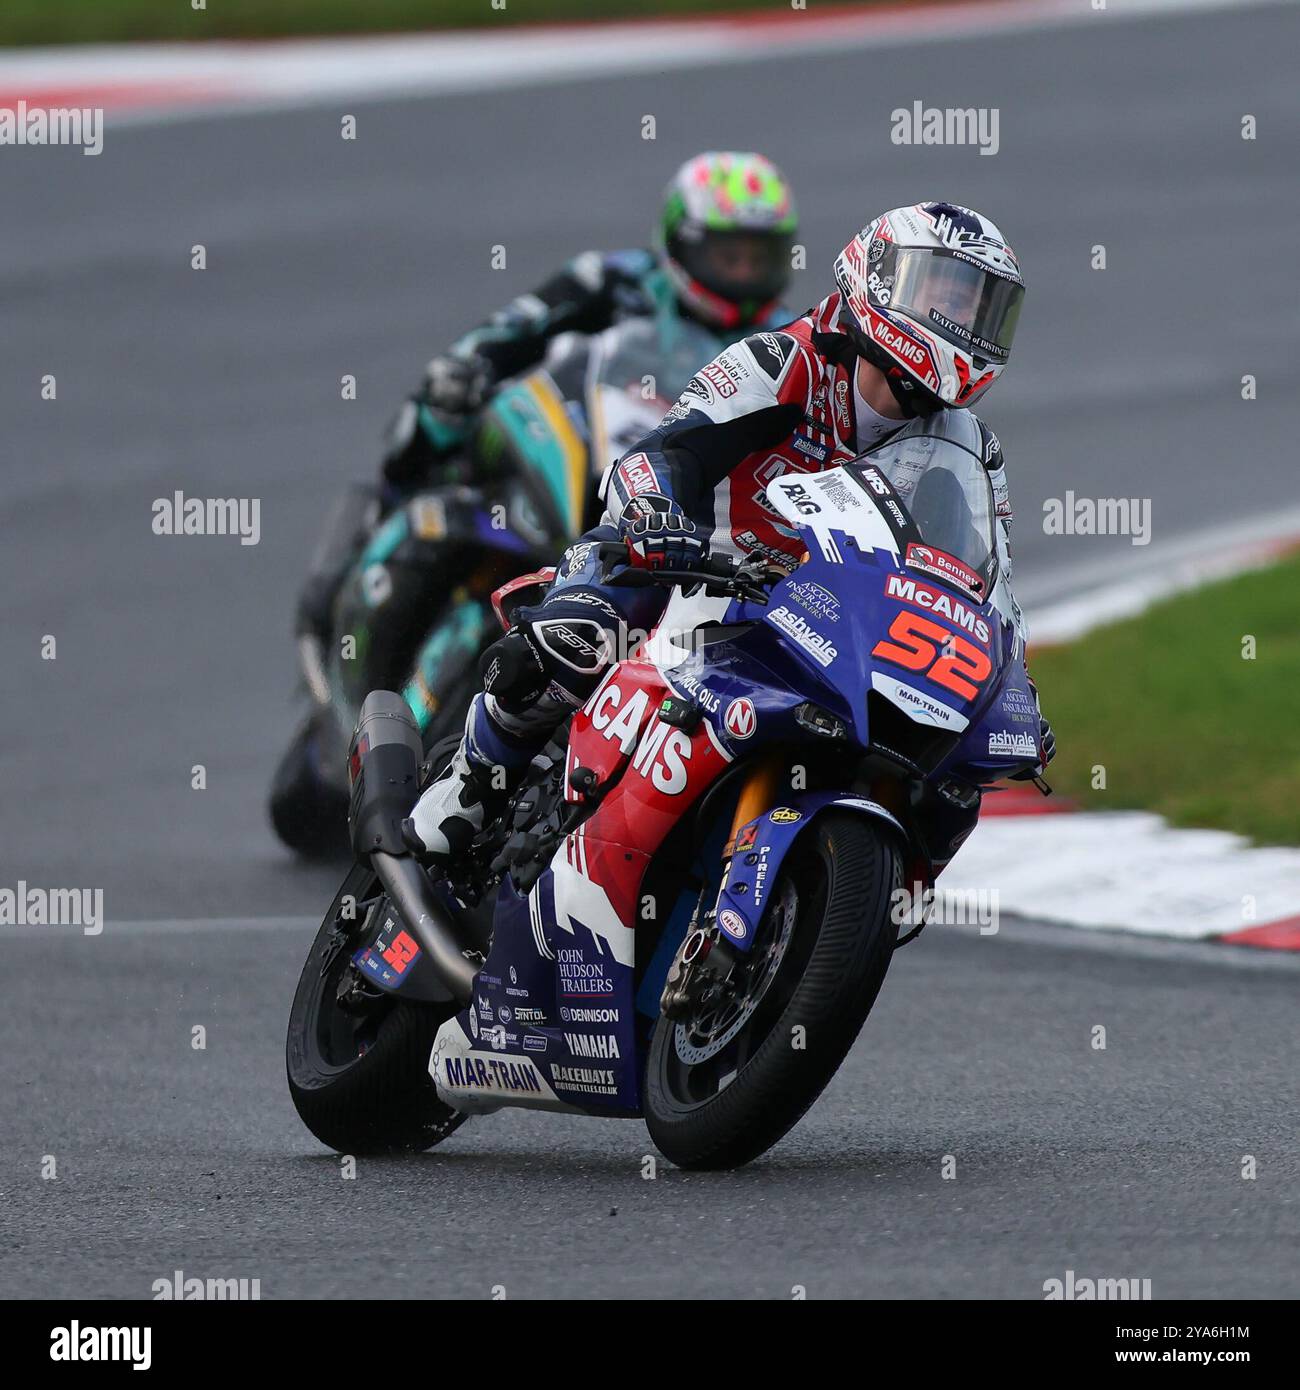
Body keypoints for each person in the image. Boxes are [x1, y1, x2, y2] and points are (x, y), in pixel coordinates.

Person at [405, 201, 1055, 860]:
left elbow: (988, 582)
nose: (961, 320)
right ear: (879, 276)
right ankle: (470, 784)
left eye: (979, 307)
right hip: (693, 570)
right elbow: (666, 453)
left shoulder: (969, 446)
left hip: (822, 617)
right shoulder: (784, 361)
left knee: (950, 780)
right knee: (575, 637)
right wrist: (656, 516)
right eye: (944, 294)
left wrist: (1012, 682)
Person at [294, 152, 799, 642]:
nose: (743, 274)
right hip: (577, 427)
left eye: (760, 258)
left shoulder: (787, 335)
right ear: (681, 245)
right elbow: (513, 328)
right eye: (728, 256)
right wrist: (467, 368)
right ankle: (361, 540)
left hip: (679, 481)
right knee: (442, 416)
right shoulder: (612, 279)